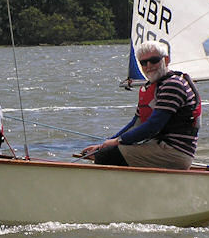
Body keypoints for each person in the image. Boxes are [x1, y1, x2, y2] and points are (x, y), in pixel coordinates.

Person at [80, 41, 201, 169]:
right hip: (158, 147)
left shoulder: (173, 85)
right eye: (143, 63)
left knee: (107, 155)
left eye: (154, 60)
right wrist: (105, 144)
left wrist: (115, 143)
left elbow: (153, 126)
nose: (149, 66)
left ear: (166, 59)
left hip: (174, 153)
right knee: (105, 151)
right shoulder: (153, 87)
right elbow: (135, 124)